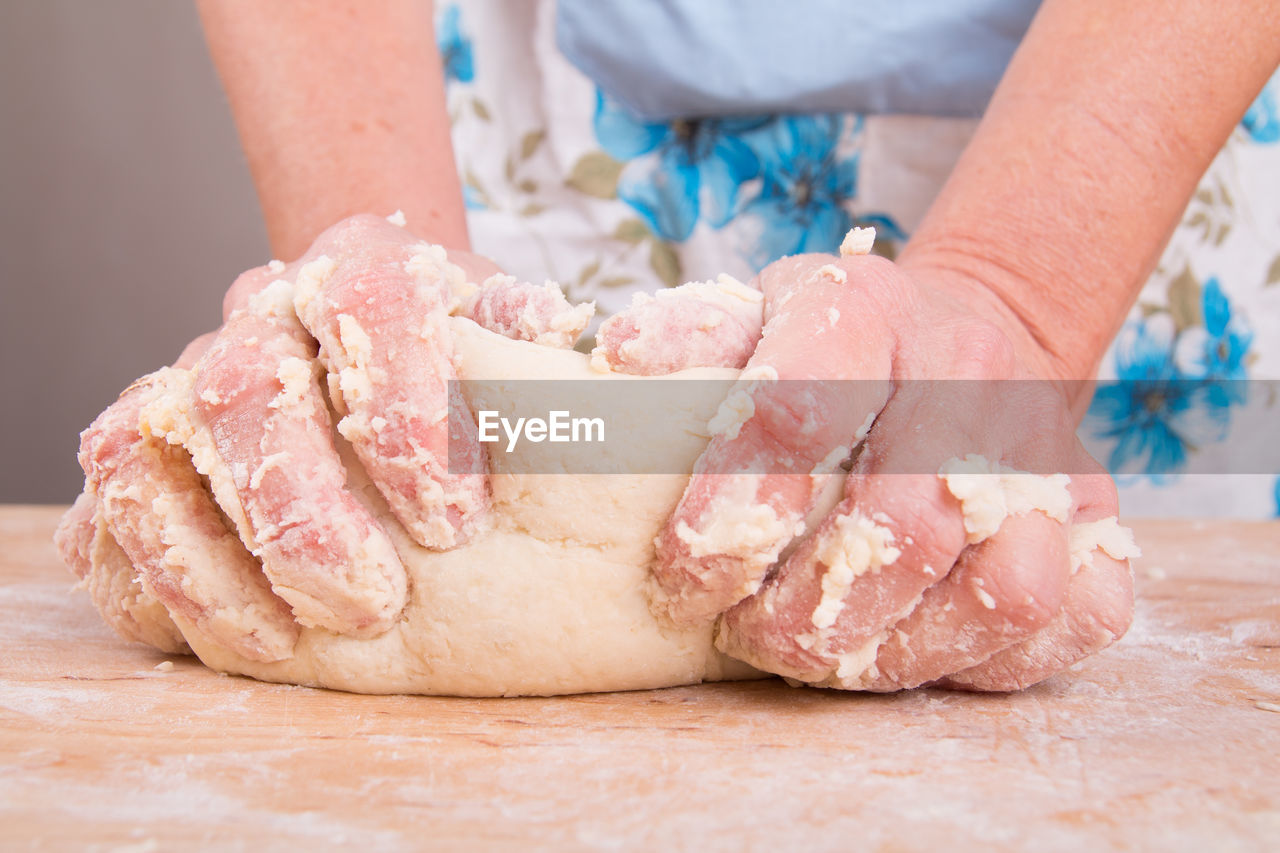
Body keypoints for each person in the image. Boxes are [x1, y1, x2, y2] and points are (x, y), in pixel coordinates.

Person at [87, 0, 1277, 689]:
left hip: (1124, 130)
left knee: (1023, 597)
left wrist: (1013, 295)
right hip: (540, 127)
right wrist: (379, 285)